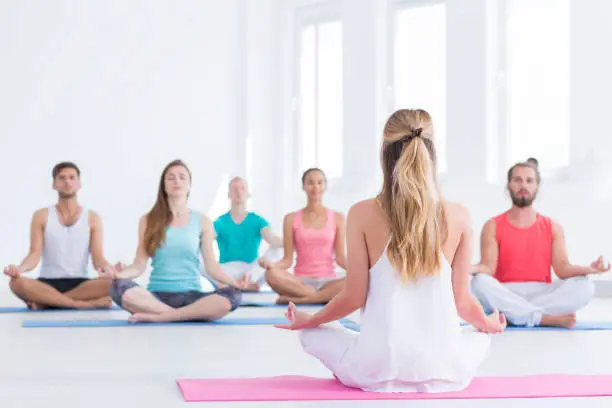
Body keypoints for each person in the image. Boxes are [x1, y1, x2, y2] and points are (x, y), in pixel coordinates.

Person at [275, 109, 505, 393]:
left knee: (311, 334)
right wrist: (489, 324)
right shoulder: (459, 215)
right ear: (432, 153)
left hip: (375, 371)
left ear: (384, 152)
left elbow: (353, 297)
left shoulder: (360, 213)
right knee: (481, 336)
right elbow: (463, 303)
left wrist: (310, 320)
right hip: (445, 372)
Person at [470, 159, 606, 328]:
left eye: (529, 180)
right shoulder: (493, 225)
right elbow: (487, 268)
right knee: (478, 283)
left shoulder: (553, 227)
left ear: (537, 186)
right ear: (508, 186)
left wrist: (588, 269)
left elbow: (562, 268)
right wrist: (466, 267)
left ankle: (515, 315)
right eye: (517, 180)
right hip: (506, 291)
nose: (523, 186)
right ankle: (543, 318)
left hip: (542, 292)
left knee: (586, 286)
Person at [109, 160, 248, 323]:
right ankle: (182, 315)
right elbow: (139, 265)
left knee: (233, 295)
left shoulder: (202, 220)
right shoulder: (148, 220)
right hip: (156, 297)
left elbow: (212, 267)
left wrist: (234, 282)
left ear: (189, 185)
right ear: (164, 185)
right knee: (117, 286)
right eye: (171, 178)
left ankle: (164, 317)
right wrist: (117, 275)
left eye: (182, 177)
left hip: (193, 297)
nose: (177, 181)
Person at [3, 162, 121, 310]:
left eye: (72, 178)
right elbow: (34, 255)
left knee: (116, 283)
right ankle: (79, 304)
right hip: (46, 284)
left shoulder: (93, 218)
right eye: (62, 178)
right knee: (16, 283)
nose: (67, 182)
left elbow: (98, 259)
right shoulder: (41, 216)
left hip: (82, 285)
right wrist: (19, 269)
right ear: (54, 184)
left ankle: (47, 302)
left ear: (79, 184)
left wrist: (110, 269)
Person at [263, 168, 347, 304]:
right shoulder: (290, 219)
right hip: (299, 283)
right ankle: (319, 298)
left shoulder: (338, 218)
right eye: (310, 183)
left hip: (329, 282)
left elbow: (341, 258)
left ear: (325, 186)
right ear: (303, 186)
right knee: (270, 274)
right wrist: (271, 265)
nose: (316, 187)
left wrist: (361, 272)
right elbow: (287, 260)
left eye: (320, 183)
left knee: (355, 281)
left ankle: (303, 300)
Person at [212, 177, 283, 291]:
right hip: (227, 270)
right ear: (229, 194)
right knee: (197, 255)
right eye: (234, 189)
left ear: (248, 194)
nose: (238, 192)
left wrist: (292, 239)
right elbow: (206, 241)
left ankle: (247, 282)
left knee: (279, 250)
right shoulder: (220, 222)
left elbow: (272, 239)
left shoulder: (257, 220)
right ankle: (235, 284)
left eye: (242, 188)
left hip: (251, 270)